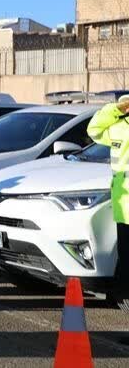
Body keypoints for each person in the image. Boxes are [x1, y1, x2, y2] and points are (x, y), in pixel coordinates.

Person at [87, 95, 129, 320]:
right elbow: (93, 128)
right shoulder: (118, 126)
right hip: (124, 210)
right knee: (126, 268)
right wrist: (116, 108)